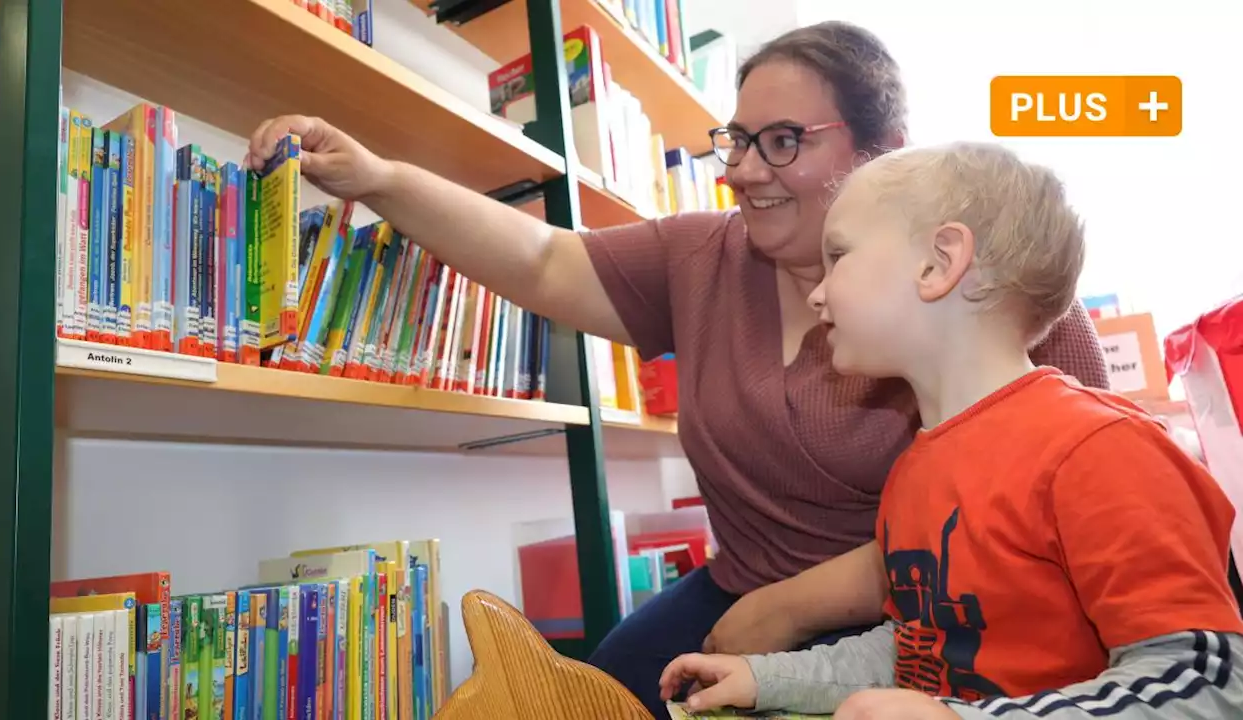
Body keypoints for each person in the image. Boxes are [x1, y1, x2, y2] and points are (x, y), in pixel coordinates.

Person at [245, 21, 1110, 716]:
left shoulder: (992, 292)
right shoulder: (707, 254)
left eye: (782, 141)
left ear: (887, 150)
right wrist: (380, 178)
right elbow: (546, 259)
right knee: (589, 696)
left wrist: (794, 608)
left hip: (920, 620)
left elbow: (1059, 513)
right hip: (735, 596)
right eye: (737, 140)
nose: (742, 172)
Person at [657, 141, 1243, 719]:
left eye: (837, 256)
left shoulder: (1100, 451)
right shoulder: (917, 470)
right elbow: (927, 652)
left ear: (938, 263)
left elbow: (1205, 681)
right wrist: (768, 678)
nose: (815, 292)